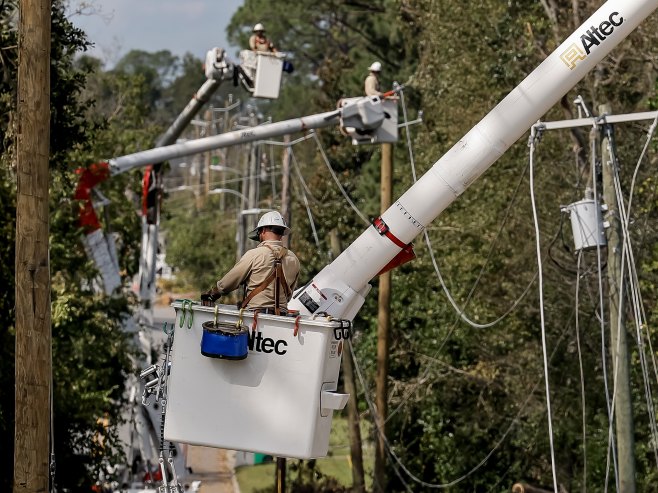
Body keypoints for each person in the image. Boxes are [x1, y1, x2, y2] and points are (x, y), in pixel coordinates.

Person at [201, 211, 300, 315]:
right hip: (282, 319)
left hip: (256, 317)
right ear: (282, 232)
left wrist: (214, 292)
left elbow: (228, 283)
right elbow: (288, 295)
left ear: (263, 230)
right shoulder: (294, 259)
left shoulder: (254, 254)